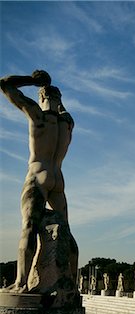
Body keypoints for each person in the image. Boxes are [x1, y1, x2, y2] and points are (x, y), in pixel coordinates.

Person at [0, 70, 78, 293]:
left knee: (28, 227)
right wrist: (57, 99)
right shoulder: (67, 123)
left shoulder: (38, 116)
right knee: (67, 230)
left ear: (41, 98)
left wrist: (33, 81)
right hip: (57, 179)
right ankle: (72, 283)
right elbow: (62, 110)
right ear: (58, 99)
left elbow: (4, 85)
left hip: (38, 175)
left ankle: (21, 283)